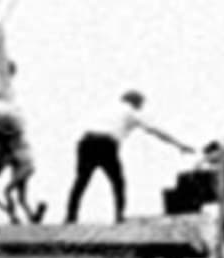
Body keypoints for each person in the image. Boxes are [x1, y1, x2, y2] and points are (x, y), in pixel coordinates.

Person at [66, 90, 194, 224]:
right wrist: (179, 145)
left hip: (85, 142)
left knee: (81, 181)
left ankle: (71, 216)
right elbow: (156, 130)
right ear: (136, 103)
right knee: (118, 182)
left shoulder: (106, 109)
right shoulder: (132, 112)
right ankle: (119, 216)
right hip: (105, 144)